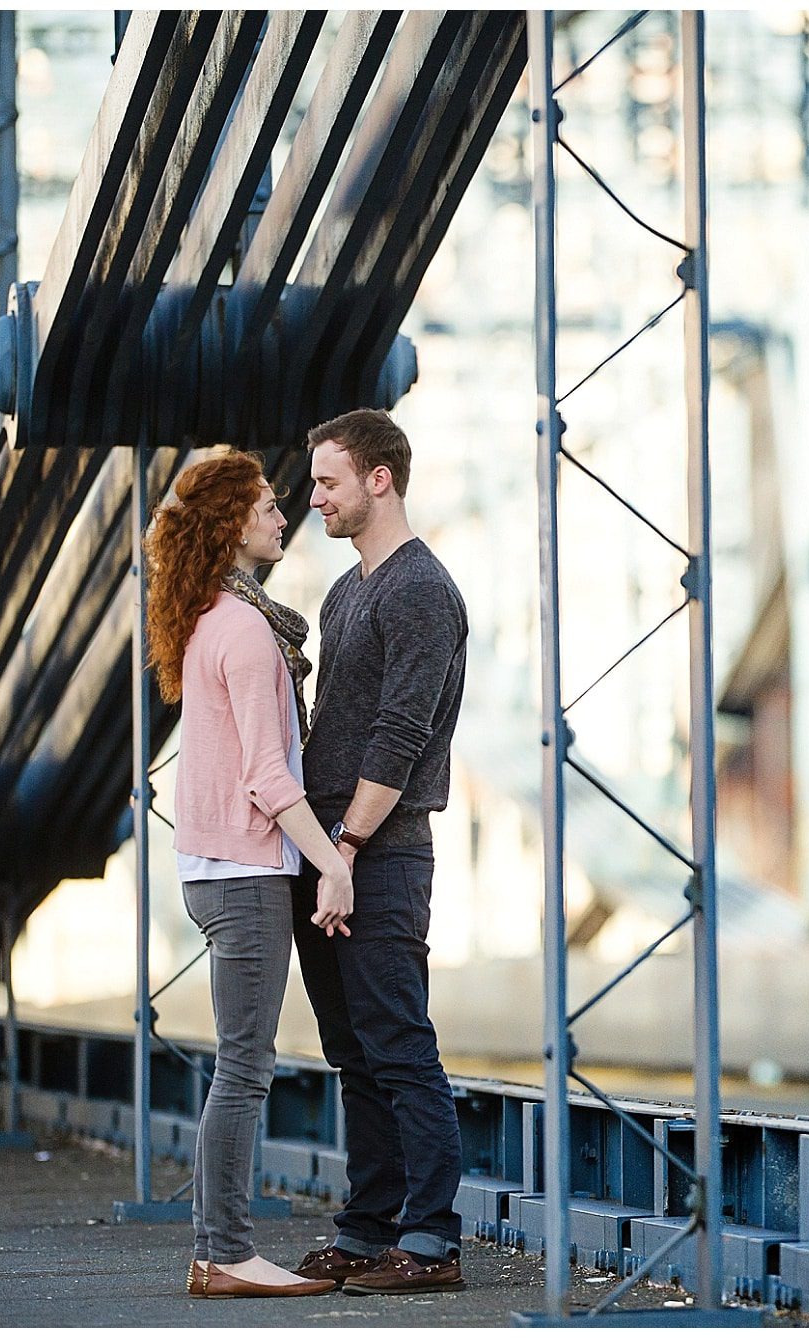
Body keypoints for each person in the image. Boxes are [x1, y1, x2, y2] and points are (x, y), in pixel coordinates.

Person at [146, 450, 352, 1300]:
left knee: (241, 1062)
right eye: (269, 504)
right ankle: (223, 1249)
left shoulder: (213, 620)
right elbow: (271, 776)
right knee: (244, 1067)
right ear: (233, 523)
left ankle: (217, 1248)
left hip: (216, 866)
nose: (284, 513)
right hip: (243, 870)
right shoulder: (242, 631)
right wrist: (331, 862)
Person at [286, 409, 471, 1296]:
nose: (313, 496)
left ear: (379, 478)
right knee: (352, 1051)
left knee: (400, 1045)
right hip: (328, 851)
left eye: (327, 481)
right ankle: (366, 1232)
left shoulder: (419, 589)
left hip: (378, 855)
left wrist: (346, 850)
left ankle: (431, 1241)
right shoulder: (344, 592)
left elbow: (401, 735)